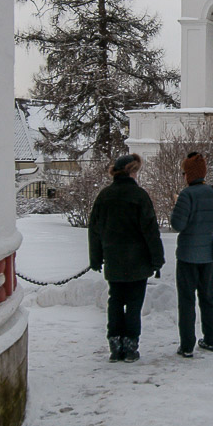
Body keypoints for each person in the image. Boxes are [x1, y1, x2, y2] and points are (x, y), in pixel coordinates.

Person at [88, 153, 165, 363]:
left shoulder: (104, 196)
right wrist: (157, 258)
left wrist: (95, 257)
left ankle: (115, 346)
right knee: (133, 304)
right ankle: (131, 347)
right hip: (138, 261)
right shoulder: (139, 196)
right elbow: (150, 230)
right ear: (131, 171)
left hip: (113, 258)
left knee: (115, 301)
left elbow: (94, 229)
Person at [170, 151, 213, 358]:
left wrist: (176, 206)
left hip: (186, 256)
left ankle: (186, 345)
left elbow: (177, 224)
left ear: (189, 174)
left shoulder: (186, 195)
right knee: (207, 298)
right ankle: (210, 339)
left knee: (186, 301)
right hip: (207, 255)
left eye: (184, 172)